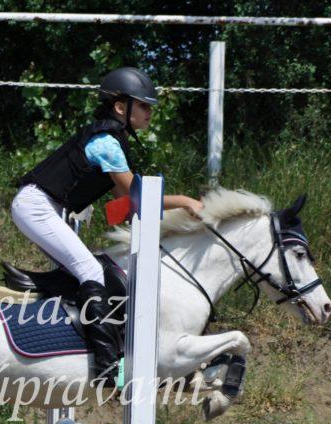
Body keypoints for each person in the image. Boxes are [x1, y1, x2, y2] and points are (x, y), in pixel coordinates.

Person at [11, 66, 204, 388]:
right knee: (90, 269)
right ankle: (105, 366)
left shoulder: (113, 140)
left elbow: (124, 204)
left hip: (48, 208)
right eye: (143, 105)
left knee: (93, 268)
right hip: (37, 207)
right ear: (119, 107)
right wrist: (184, 201)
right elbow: (134, 193)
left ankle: (75, 341)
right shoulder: (106, 143)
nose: (149, 112)